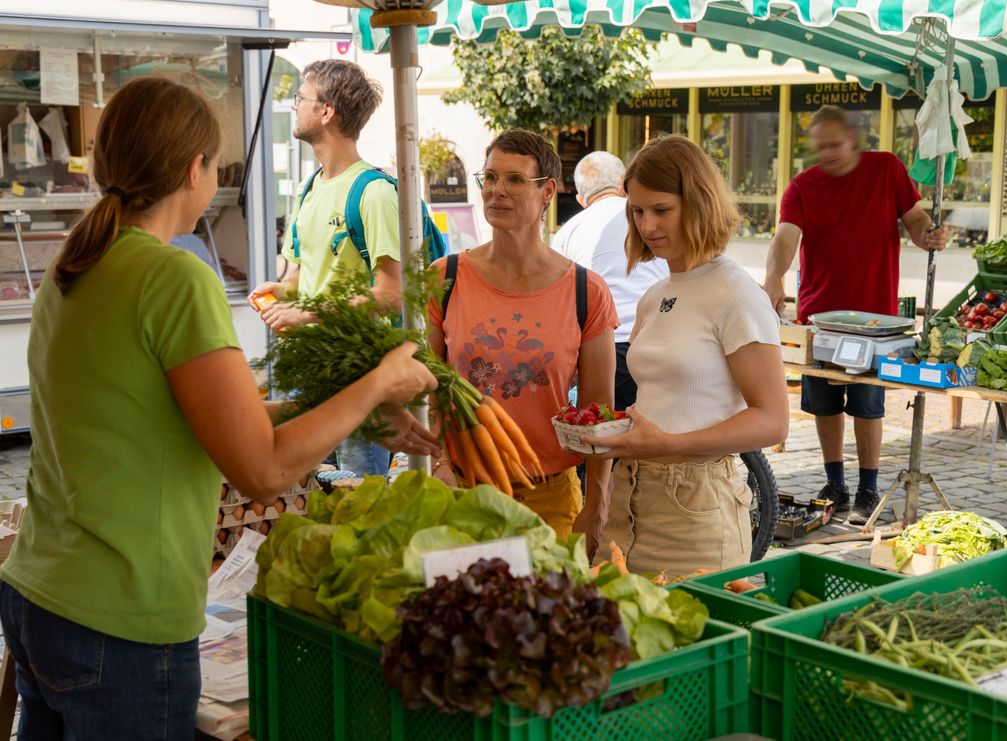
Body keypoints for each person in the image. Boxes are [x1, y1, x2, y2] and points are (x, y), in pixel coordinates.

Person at [0, 76, 438, 740]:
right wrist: (377, 383)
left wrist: (356, 410)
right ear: (192, 170)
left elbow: (208, 413)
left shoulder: (77, 262)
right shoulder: (174, 276)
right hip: (120, 620)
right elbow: (262, 470)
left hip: (40, 595)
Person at [579, 135, 789, 575]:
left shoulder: (735, 292)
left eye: (661, 210)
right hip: (631, 494)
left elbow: (772, 420)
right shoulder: (654, 295)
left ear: (698, 203)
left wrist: (670, 445)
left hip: (697, 506)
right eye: (637, 211)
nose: (647, 225)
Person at [428, 129, 619, 554]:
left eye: (514, 180)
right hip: (463, 491)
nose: (497, 190)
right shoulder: (445, 278)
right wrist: (438, 463)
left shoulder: (587, 291)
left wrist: (598, 500)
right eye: (491, 178)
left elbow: (598, 412)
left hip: (550, 499)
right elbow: (429, 388)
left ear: (547, 190)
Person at [762, 105, 949, 525]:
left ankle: (868, 487)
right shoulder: (802, 187)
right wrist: (773, 277)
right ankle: (835, 483)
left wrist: (928, 236)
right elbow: (785, 238)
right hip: (820, 318)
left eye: (835, 144)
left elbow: (915, 219)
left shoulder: (886, 169)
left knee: (868, 404)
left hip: (875, 321)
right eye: (820, 146)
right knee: (824, 404)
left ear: (853, 139)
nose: (828, 152)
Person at [248, 59, 401, 478]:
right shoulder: (308, 188)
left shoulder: (373, 193)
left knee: (359, 498)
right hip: (304, 370)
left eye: (301, 98)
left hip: (354, 376)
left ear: (326, 111)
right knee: (304, 494)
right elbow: (299, 278)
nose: (294, 105)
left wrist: (308, 313)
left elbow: (391, 295)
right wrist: (279, 292)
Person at [551, 151, 668, 411]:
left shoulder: (568, 232)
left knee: (607, 436)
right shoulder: (650, 220)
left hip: (602, 350)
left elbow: (558, 298)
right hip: (657, 340)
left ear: (581, 200)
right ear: (624, 183)